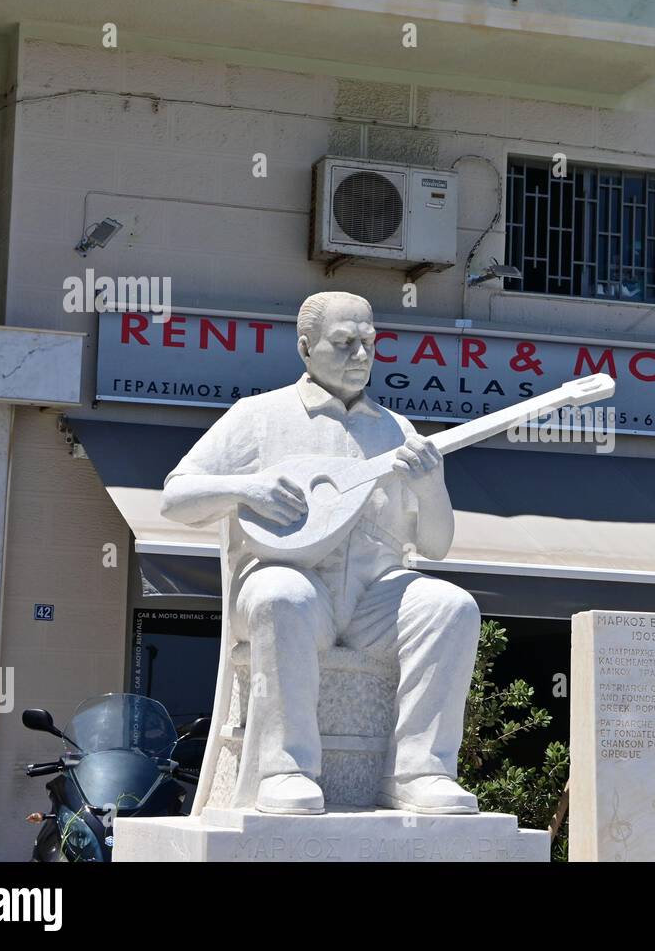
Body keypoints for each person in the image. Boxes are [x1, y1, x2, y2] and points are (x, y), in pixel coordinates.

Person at [160, 291, 480, 815]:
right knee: (282, 594)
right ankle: (285, 770)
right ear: (305, 347)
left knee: (450, 606)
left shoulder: (396, 431)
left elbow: (436, 546)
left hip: (375, 601)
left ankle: (421, 772)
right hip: (292, 587)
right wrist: (247, 488)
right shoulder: (258, 417)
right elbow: (176, 496)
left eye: (369, 343)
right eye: (344, 343)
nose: (361, 356)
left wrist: (431, 488)